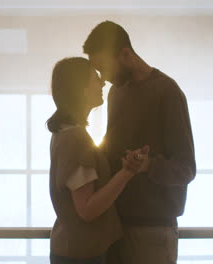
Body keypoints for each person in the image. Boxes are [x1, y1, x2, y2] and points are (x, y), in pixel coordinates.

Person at [83, 21, 197, 264]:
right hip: (116, 226)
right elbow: (113, 146)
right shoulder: (117, 93)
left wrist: (148, 166)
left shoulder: (167, 92)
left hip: (152, 231)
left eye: (104, 67)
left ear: (125, 54)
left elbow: (186, 169)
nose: (103, 78)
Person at [47, 57, 149, 264]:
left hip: (73, 249)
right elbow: (87, 209)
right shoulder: (75, 139)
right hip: (82, 254)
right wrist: (127, 172)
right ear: (81, 89)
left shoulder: (64, 134)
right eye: (95, 78)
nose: (103, 83)